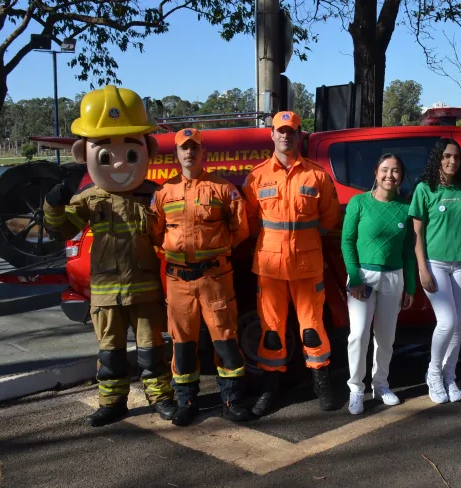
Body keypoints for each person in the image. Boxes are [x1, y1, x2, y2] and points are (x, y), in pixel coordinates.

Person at [42, 85, 177, 427]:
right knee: (110, 354)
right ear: (82, 153)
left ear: (147, 150)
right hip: (104, 291)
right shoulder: (88, 198)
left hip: (144, 290)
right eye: (105, 155)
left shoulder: (155, 196)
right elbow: (61, 228)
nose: (119, 163)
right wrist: (53, 204)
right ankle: (112, 403)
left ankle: (161, 398)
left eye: (131, 154)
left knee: (151, 352)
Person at [242, 111, 341, 416]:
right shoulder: (257, 176)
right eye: (280, 131)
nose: (286, 136)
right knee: (271, 330)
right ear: (272, 135)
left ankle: (321, 385)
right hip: (270, 269)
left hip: (307, 266)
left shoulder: (317, 175)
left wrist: (308, 238)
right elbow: (249, 218)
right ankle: (270, 391)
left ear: (300, 136)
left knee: (312, 328)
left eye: (292, 131)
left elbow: (330, 217)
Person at [150, 128, 250, 425]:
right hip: (178, 282)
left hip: (215, 278)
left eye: (194, 148)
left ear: (202, 152)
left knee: (226, 341)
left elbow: (241, 228)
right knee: (182, 344)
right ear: (177, 154)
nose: (189, 153)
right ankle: (187, 401)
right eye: (184, 148)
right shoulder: (164, 192)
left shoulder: (222, 188)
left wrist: (215, 253)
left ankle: (232, 400)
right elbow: (155, 232)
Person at [341, 154, 416, 415]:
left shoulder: (405, 209)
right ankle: (356, 388)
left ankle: (381, 384)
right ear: (376, 172)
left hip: (393, 278)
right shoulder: (359, 202)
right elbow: (347, 241)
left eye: (395, 171)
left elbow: (409, 251)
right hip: (362, 276)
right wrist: (355, 277)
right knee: (359, 334)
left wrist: (410, 286)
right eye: (385, 169)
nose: (389, 175)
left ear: (401, 176)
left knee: (386, 337)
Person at [410, 138, 461, 404]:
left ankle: (450, 376)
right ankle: (434, 373)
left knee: (457, 326)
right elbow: (417, 233)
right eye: (447, 156)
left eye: (457, 158)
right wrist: (422, 268)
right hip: (435, 264)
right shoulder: (424, 189)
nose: (452, 162)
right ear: (438, 158)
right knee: (446, 322)